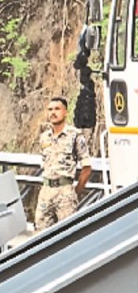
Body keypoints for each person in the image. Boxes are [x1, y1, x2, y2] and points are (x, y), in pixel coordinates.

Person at [35, 97, 92, 230]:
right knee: (40, 236)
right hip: (46, 191)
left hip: (65, 191)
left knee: (66, 234)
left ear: (65, 112)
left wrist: (74, 192)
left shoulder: (75, 135)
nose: (53, 113)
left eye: (57, 109)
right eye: (50, 109)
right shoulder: (44, 137)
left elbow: (87, 168)